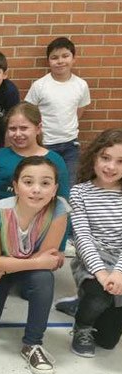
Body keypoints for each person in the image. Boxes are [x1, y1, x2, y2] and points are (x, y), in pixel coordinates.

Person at [0, 156, 69, 374]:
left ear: (54, 189)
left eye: (45, 183)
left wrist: (6, 267)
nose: (36, 190)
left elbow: (48, 257)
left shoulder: (59, 208)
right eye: (28, 182)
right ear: (15, 186)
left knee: (43, 278)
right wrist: (2, 267)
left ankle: (33, 344)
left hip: (15, 266)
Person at [68, 129, 122, 357]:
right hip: (93, 260)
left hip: (120, 262)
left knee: (108, 341)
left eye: (120, 161)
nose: (111, 167)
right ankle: (82, 325)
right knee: (100, 294)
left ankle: (80, 303)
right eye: (105, 158)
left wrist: (118, 273)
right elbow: (82, 238)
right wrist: (101, 274)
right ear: (94, 158)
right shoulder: (80, 192)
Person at [26, 37, 91, 184]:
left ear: (74, 59)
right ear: (48, 61)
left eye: (65, 56)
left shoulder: (81, 85)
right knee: (43, 183)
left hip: (70, 145)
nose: (60, 61)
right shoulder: (40, 85)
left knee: (69, 184)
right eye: (54, 58)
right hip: (45, 144)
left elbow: (79, 111)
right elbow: (28, 112)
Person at [0, 102, 69, 205]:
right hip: (0, 218)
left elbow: (62, 202)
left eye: (24, 128)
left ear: (38, 128)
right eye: (12, 129)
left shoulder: (55, 160)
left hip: (41, 219)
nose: (18, 134)